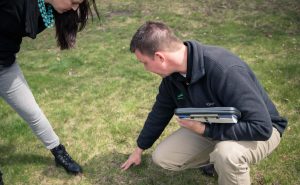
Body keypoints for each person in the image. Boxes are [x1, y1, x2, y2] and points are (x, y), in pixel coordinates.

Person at [121, 21, 288, 185]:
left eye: (144, 63)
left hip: (261, 129)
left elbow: (261, 127)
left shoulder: (224, 69)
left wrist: (205, 130)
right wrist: (139, 149)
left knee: (227, 154)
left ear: (160, 57)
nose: (145, 68)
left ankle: (223, 160)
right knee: (163, 157)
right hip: (213, 125)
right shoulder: (172, 77)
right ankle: (217, 158)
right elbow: (160, 112)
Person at [0, 0, 99, 183]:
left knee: (32, 112)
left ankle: (58, 152)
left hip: (5, 66)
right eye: (74, 2)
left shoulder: (46, 10)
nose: (75, 8)